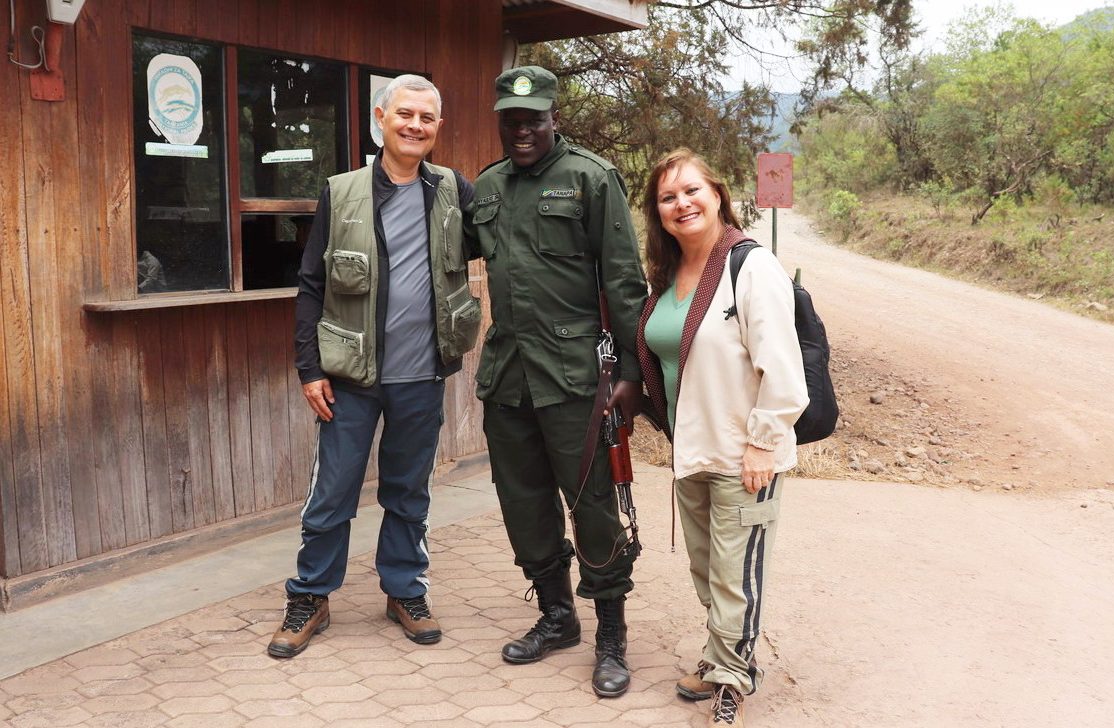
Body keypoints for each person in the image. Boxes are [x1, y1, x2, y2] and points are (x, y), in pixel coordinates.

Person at [269, 74, 480, 658]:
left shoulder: (452, 190)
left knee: (409, 492)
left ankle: (405, 591)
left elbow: (505, 234)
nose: (415, 126)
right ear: (381, 119)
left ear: (438, 128)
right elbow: (311, 285)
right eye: (405, 114)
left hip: (421, 376)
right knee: (332, 493)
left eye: (427, 118)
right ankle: (310, 596)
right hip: (349, 379)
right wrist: (309, 369)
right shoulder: (341, 192)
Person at [465, 66, 648, 697]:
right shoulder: (489, 186)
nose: (522, 131)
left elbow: (623, 281)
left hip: (575, 379)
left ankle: (611, 637)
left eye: (533, 120)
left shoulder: (591, 178)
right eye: (511, 122)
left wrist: (631, 375)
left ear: (554, 118)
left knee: (593, 505)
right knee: (523, 501)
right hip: (508, 376)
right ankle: (556, 615)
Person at [635, 149, 808, 726]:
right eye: (668, 197)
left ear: (717, 195)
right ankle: (721, 657)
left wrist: (763, 443)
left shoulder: (751, 267)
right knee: (709, 570)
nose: (681, 203)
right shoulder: (668, 276)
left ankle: (734, 677)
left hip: (743, 453)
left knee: (738, 574)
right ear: (657, 212)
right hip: (693, 450)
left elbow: (782, 367)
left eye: (691, 191)